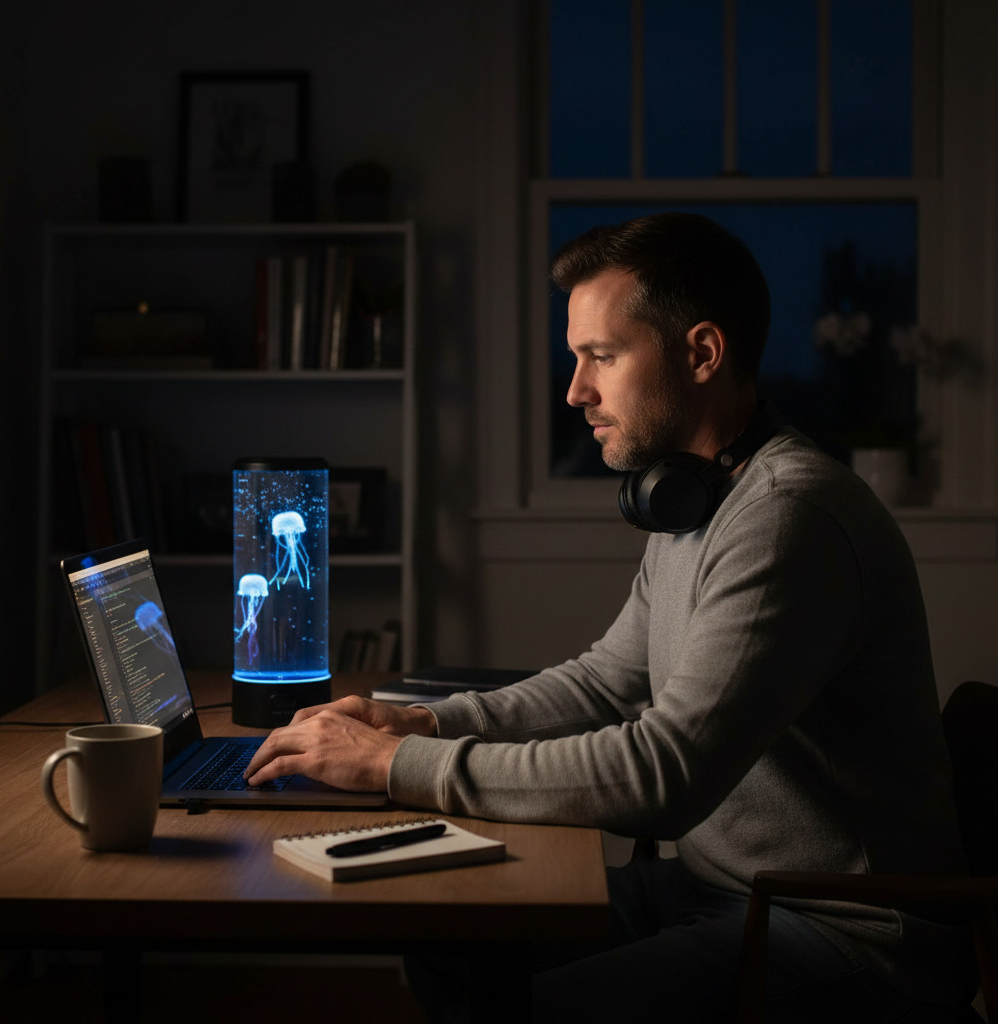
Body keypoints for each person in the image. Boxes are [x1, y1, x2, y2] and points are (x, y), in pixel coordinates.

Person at [244, 213, 974, 1022]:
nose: (576, 391)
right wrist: (417, 721)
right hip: (716, 889)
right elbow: (605, 684)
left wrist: (393, 765)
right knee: (448, 934)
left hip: (838, 930)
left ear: (701, 353)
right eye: (576, 358)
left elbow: (663, 776)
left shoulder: (787, 515)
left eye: (602, 356)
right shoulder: (698, 498)